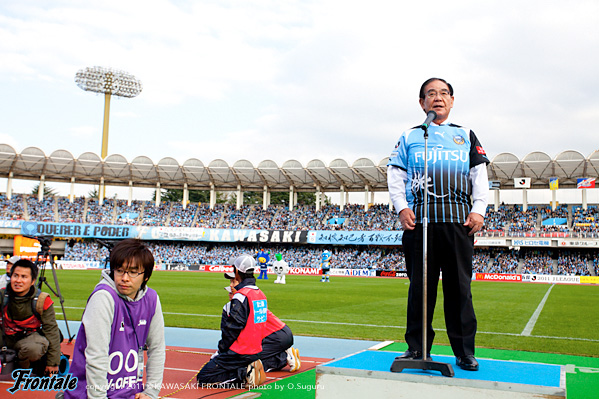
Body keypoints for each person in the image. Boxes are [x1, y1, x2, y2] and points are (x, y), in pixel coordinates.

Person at [387, 77, 489, 371]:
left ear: (452, 101)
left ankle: (464, 351)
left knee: (459, 289)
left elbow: (478, 176)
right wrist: (402, 207)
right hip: (420, 224)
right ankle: (417, 347)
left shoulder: (466, 134)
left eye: (444, 93)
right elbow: (396, 175)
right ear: (422, 103)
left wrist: (479, 210)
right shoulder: (410, 136)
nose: (438, 97)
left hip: (457, 222)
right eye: (431, 94)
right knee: (420, 288)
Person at [65, 239, 165, 399]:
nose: (124, 278)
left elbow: (157, 348)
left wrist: (151, 393)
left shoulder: (152, 299)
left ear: (146, 276)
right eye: (120, 270)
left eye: (133, 272)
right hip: (90, 394)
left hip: (130, 393)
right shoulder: (103, 298)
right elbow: (96, 355)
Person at [196, 254, 267, 389]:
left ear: (237, 272)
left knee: (204, 378)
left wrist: (221, 350)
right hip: (256, 349)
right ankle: (247, 368)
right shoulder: (260, 294)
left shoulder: (241, 296)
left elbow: (232, 329)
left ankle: (244, 375)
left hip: (240, 351)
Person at [223, 271, 300, 373]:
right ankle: (283, 355)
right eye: (230, 282)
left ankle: (283, 357)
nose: (230, 285)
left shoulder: (241, 301)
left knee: (248, 363)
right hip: (279, 333)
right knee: (247, 360)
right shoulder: (251, 295)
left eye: (234, 281)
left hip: (274, 336)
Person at [0, 259, 61, 375]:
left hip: (27, 337)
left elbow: (51, 330)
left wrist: (53, 362)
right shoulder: (2, 295)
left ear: (32, 281)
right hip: (5, 336)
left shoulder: (42, 300)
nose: (18, 280)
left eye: (24, 277)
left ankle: (22, 368)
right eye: (15, 276)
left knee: (34, 348)